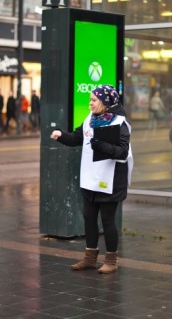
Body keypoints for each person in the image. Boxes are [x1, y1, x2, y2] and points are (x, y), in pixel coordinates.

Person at [49, 85, 133, 274]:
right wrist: (61, 135)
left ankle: (111, 260)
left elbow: (122, 152)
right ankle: (90, 258)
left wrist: (102, 146)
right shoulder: (90, 119)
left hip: (110, 181)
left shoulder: (120, 123)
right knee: (89, 218)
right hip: (90, 180)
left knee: (108, 221)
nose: (90, 104)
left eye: (93, 100)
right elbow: (76, 138)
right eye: (90, 100)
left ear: (104, 102)